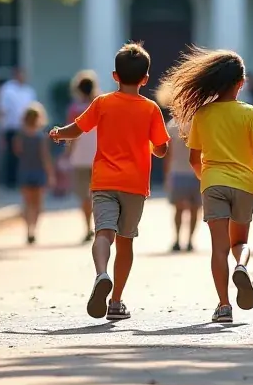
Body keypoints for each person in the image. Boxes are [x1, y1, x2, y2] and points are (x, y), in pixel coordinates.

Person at [161, 48, 253, 325]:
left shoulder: (203, 114)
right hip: (244, 185)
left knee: (218, 248)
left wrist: (205, 179)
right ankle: (241, 265)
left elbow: (194, 159)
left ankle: (224, 305)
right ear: (241, 83)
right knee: (239, 243)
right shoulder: (249, 112)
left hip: (213, 183)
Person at [50, 43, 169, 322]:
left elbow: (77, 129)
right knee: (125, 242)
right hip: (134, 185)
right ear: (145, 79)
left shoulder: (102, 103)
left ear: (115, 76)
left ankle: (101, 273)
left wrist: (58, 133)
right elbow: (162, 149)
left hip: (104, 181)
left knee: (103, 233)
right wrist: (151, 146)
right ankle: (116, 301)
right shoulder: (151, 109)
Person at [66, 70, 99, 243]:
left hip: (80, 157)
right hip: (99, 155)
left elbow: (72, 134)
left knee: (84, 196)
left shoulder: (74, 109)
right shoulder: (100, 106)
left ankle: (88, 227)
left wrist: (67, 153)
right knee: (99, 194)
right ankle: (100, 226)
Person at [15, 101, 53, 244]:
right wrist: (50, 174)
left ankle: (28, 229)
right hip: (39, 171)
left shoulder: (20, 135)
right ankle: (34, 230)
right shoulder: (41, 136)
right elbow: (45, 156)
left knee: (27, 203)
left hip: (24, 170)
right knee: (37, 204)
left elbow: (17, 151)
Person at [165, 114, 200, 253]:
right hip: (196, 172)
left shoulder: (172, 124)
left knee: (180, 209)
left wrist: (167, 174)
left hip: (178, 172)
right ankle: (188, 241)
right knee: (194, 209)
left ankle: (179, 240)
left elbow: (168, 153)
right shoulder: (201, 122)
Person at [0, 68, 37, 189]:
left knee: (26, 154)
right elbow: (3, 109)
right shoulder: (7, 90)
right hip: (12, 127)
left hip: (26, 128)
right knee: (11, 155)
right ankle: (10, 181)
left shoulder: (29, 91)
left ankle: (25, 180)